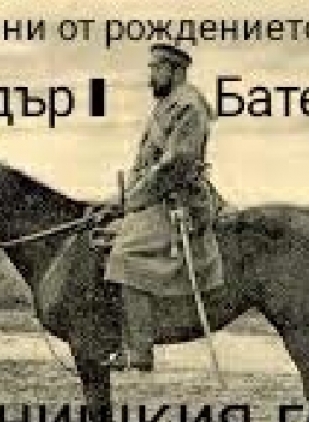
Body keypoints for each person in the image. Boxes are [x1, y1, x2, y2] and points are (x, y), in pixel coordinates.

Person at [102, 43, 225, 372]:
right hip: (154, 195)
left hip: (179, 198)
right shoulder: (166, 105)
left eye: (157, 68)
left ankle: (140, 351)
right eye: (152, 68)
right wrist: (122, 198)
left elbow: (175, 165)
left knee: (125, 255)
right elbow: (145, 162)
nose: (151, 76)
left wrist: (132, 200)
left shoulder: (189, 106)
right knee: (102, 235)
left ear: (176, 70)